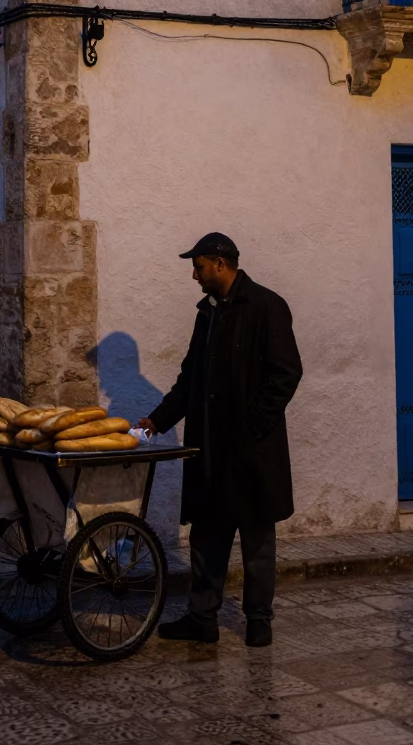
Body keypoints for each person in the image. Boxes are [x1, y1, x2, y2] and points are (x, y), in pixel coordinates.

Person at [138, 232, 302, 648]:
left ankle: (259, 620)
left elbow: (285, 374)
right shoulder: (206, 314)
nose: (194, 275)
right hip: (210, 449)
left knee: (257, 537)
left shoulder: (267, 306)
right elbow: (189, 379)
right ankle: (202, 618)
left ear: (220, 264)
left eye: (198, 267)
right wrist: (155, 421)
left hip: (253, 450)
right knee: (207, 535)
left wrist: (252, 427)